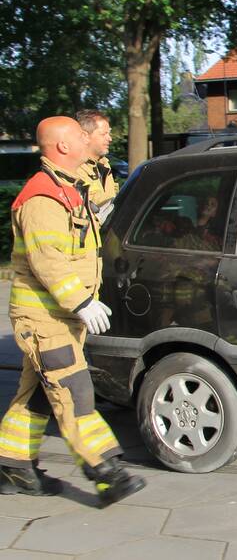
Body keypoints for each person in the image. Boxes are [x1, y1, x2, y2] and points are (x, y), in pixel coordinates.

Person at [0, 116, 145, 506]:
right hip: (45, 319)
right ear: (63, 146)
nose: (88, 139)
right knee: (73, 391)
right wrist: (80, 301)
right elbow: (48, 260)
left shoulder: (67, 187)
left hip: (55, 317)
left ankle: (13, 464)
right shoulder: (43, 197)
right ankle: (106, 472)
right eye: (82, 136)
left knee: (36, 395)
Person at [75, 110, 117, 226]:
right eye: (104, 134)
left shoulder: (104, 165)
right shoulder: (74, 169)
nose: (110, 139)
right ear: (85, 136)